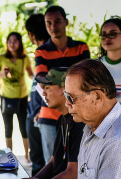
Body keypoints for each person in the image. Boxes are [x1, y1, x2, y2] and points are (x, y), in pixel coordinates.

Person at [10, 68, 85, 179]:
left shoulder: (79, 123)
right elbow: (53, 162)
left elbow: (73, 173)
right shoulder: (62, 119)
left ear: (64, 90)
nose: (43, 93)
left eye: (47, 87)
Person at [34, 6, 90, 164]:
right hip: (49, 116)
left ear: (65, 22)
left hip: (77, 116)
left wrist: (70, 103)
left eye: (57, 21)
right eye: (48, 23)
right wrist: (52, 100)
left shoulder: (81, 47)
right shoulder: (41, 51)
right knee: (54, 165)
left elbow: (85, 78)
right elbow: (41, 82)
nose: (53, 26)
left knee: (75, 165)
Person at [0, 32, 34, 161]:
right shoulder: (1, 58)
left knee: (24, 128)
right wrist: (2, 74)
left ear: (20, 43)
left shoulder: (24, 59)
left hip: (21, 98)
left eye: (15, 41)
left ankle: (27, 156)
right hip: (6, 97)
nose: (12, 44)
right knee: (8, 128)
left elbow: (32, 75)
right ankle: (10, 156)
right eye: (9, 41)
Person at [25, 14, 50, 175]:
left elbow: (49, 85)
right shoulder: (40, 52)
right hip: (34, 111)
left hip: (44, 113)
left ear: (31, 34)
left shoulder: (49, 51)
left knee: (45, 163)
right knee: (38, 160)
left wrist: (42, 108)